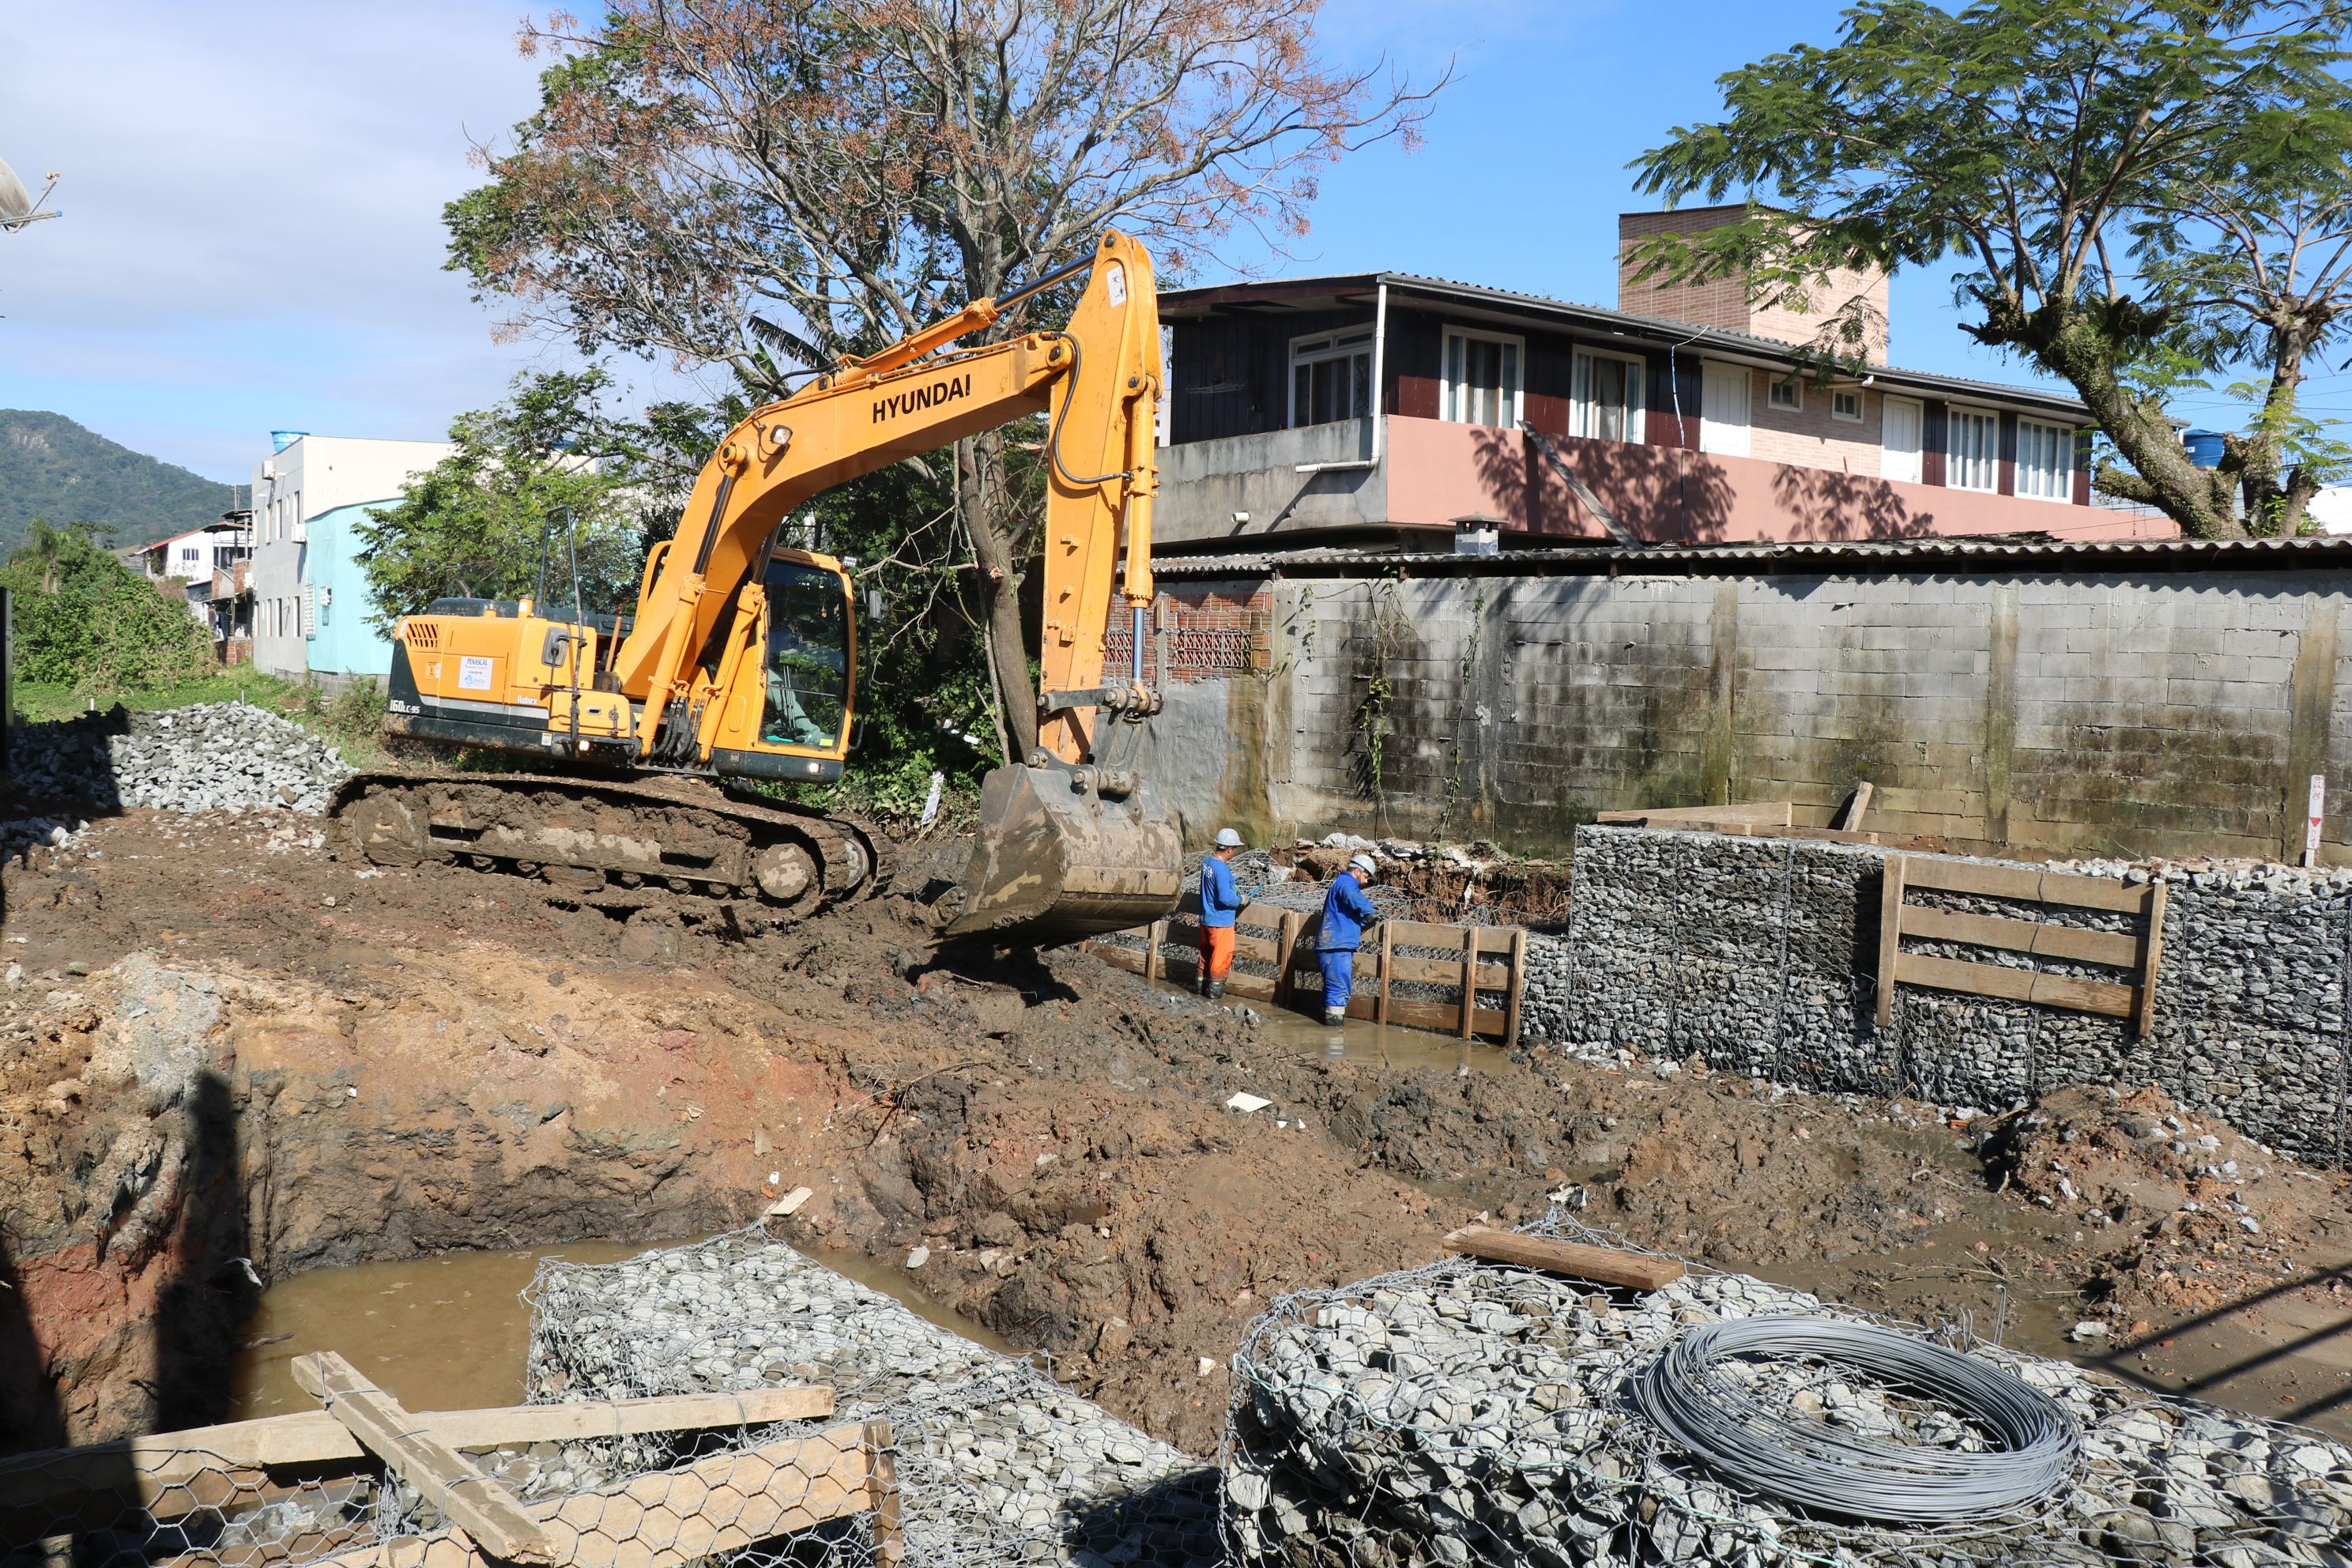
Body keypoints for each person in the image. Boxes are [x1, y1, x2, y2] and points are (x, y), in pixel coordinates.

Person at [1317, 852, 1380, 1026]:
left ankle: (1324, 1032)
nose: (1366, 882)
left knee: (1332, 989)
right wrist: (1370, 911)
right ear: (1357, 871)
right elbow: (1354, 897)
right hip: (1337, 946)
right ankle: (1334, 1041)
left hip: (1332, 944)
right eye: (1366, 876)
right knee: (1339, 990)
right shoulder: (1346, 882)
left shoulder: (1340, 884)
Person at [1197, 827, 1245, 999]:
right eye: (1235, 849)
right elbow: (1225, 898)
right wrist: (1241, 900)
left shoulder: (1207, 863)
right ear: (1230, 849)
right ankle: (1214, 996)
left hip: (1205, 919)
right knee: (1220, 958)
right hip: (1220, 922)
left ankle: (1199, 991)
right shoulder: (1222, 869)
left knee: (1205, 955)